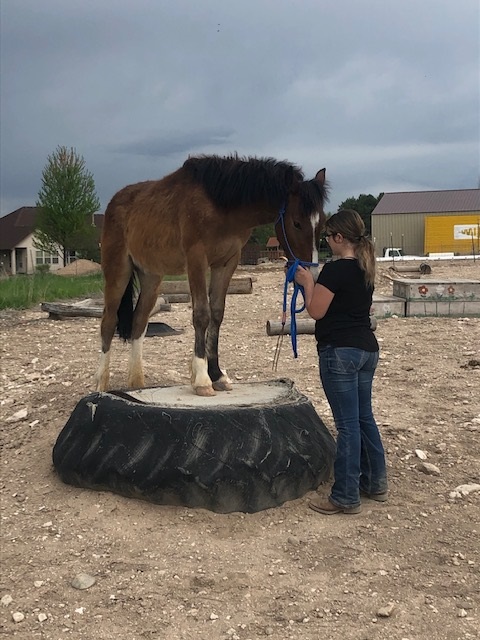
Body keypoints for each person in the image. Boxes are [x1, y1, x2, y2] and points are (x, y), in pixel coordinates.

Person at [294, 209, 387, 515]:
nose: (327, 242)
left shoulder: (335, 271)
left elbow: (317, 311)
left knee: (347, 426)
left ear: (338, 238)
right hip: (366, 349)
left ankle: (345, 495)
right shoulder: (365, 268)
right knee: (364, 419)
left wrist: (308, 282)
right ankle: (375, 481)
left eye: (328, 237)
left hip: (340, 352)